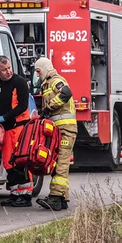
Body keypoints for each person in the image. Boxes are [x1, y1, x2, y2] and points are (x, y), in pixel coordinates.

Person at [0, 55, 34, 207]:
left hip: (19, 127)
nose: (8, 72)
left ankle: (26, 195)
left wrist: (4, 117)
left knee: (21, 160)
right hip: (6, 130)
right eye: (4, 70)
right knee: (8, 163)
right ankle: (15, 194)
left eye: (9, 68)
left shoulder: (19, 82)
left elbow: (22, 106)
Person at [34, 57, 75, 211]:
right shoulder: (46, 84)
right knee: (57, 162)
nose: (38, 75)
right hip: (59, 130)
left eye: (38, 71)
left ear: (44, 68)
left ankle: (55, 198)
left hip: (66, 129)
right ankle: (63, 198)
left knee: (62, 164)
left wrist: (49, 107)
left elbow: (66, 93)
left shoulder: (56, 80)